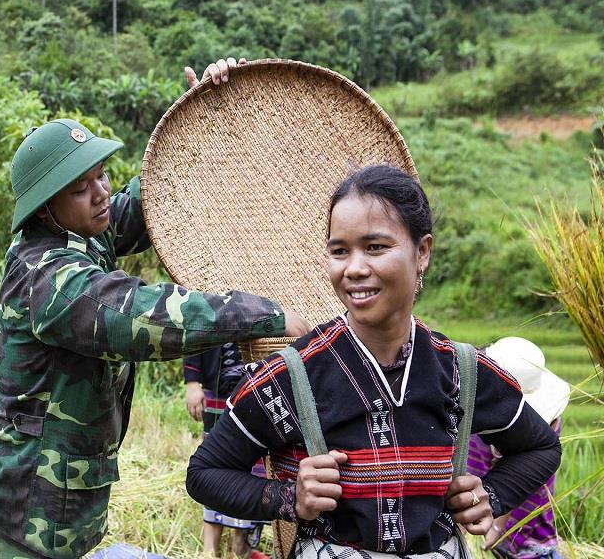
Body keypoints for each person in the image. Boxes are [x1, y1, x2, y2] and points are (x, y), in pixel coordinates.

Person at [0, 58, 311, 559]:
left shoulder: (87, 230)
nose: (102, 194)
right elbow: (139, 315)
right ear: (45, 206)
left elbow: (161, 194)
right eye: (80, 187)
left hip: (69, 506)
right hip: (31, 514)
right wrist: (262, 314)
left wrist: (204, 118)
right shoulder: (44, 277)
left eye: (102, 175)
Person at [187, 164, 562, 558]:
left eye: (375, 247)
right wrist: (288, 497)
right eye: (339, 251)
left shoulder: (460, 371)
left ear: (422, 252)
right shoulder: (293, 376)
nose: (354, 268)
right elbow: (205, 473)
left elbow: (541, 448)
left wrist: (492, 495)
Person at [467, 337, 570, 559]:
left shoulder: (540, 431)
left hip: (516, 519)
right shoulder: (475, 411)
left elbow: (520, 483)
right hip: (485, 508)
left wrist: (496, 529)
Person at [185, 344, 269, 559]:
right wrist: (192, 383)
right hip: (218, 389)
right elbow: (198, 333)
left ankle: (240, 543)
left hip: (255, 391)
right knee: (213, 465)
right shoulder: (215, 309)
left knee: (252, 467)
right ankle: (209, 548)